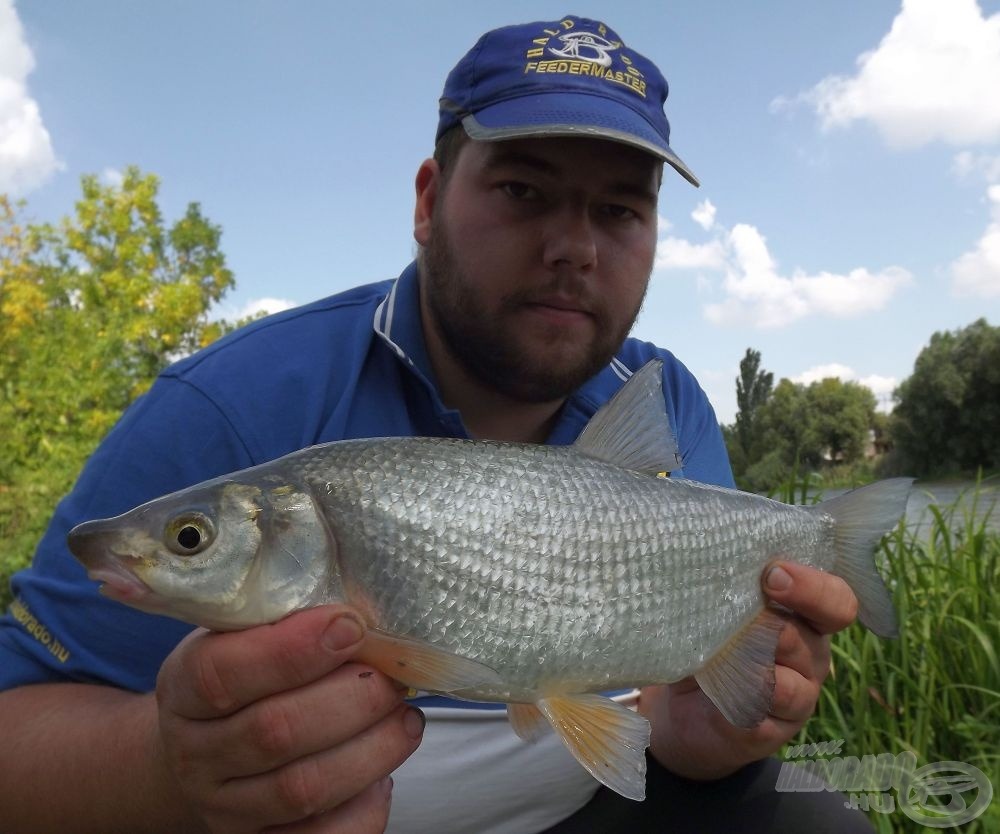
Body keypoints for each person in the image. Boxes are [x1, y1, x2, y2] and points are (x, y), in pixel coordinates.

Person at [0, 15, 873, 834]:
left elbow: (664, 724)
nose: (576, 247)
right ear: (428, 200)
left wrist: (700, 729)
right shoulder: (232, 405)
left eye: (619, 209)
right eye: (525, 190)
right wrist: (163, 770)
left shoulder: (662, 393)